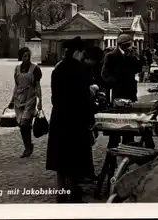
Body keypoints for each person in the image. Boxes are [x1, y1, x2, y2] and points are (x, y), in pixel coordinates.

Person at [46, 36, 94, 202]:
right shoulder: (81, 70)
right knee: (76, 157)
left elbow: (54, 97)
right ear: (77, 52)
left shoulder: (57, 69)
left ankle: (60, 192)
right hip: (76, 119)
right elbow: (83, 98)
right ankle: (74, 191)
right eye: (81, 53)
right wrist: (91, 93)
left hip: (59, 118)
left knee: (60, 159)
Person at [101, 34, 142, 147]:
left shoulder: (132, 56)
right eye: (126, 45)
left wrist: (135, 58)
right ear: (120, 45)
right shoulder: (111, 56)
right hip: (118, 93)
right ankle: (113, 148)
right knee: (118, 123)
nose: (129, 47)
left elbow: (138, 69)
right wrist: (115, 83)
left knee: (130, 122)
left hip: (131, 92)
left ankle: (128, 144)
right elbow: (104, 73)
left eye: (130, 44)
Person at [8, 47, 42, 158]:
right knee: (21, 125)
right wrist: (12, 100)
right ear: (20, 57)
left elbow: (37, 86)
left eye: (28, 56)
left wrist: (40, 101)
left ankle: (28, 148)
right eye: (24, 56)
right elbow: (16, 85)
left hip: (30, 99)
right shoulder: (17, 69)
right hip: (18, 100)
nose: (26, 58)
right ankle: (27, 145)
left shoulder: (35, 69)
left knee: (25, 123)